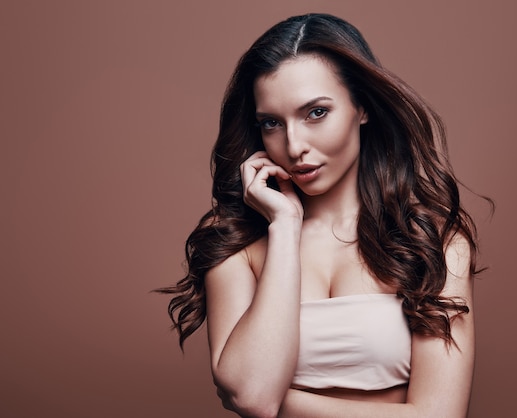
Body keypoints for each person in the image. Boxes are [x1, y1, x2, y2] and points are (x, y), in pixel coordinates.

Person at [159, 13, 485, 418]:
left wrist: (282, 401)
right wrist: (284, 227)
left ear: (361, 107)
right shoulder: (234, 239)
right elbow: (254, 396)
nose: (294, 146)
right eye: (272, 123)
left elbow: (441, 415)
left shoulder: (433, 238)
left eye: (315, 113)